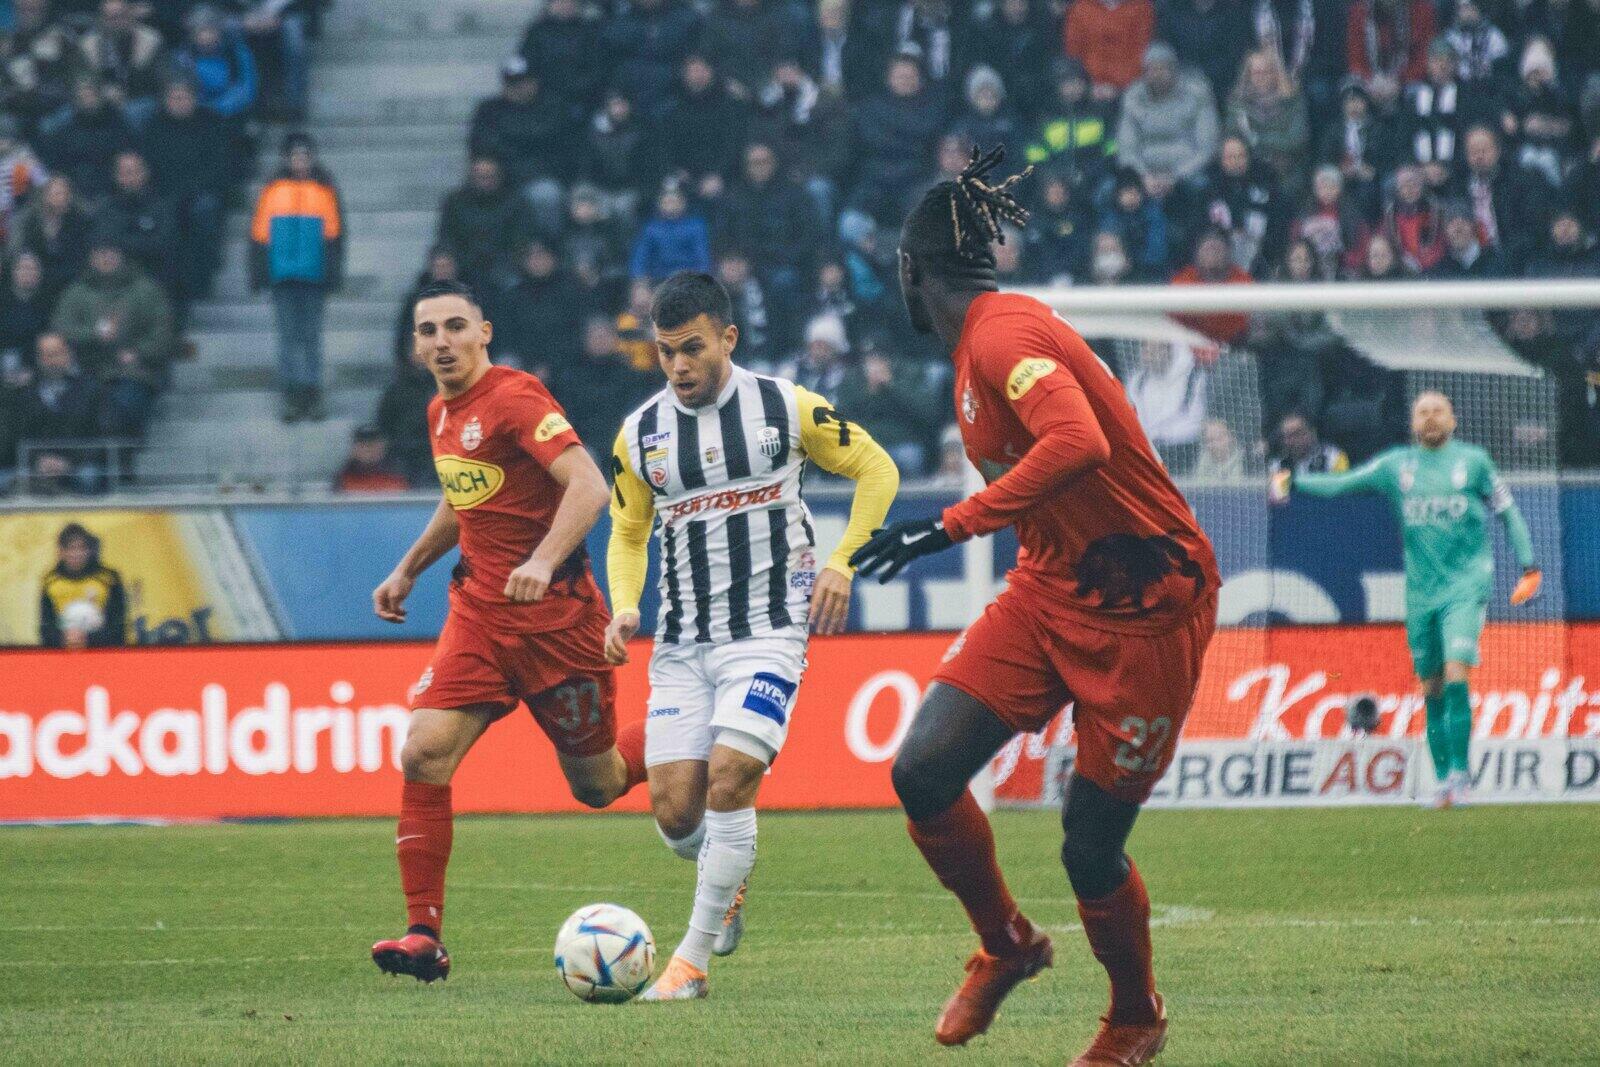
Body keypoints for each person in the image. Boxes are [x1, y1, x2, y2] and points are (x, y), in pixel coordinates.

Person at [851, 147, 1220, 1064]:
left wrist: (952, 523)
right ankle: (1008, 943)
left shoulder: (1002, 337)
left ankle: (1135, 1014)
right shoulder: (980, 346)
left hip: (1147, 606)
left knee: (1088, 847)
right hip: (1052, 587)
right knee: (923, 770)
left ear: (910, 270)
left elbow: (1077, 439)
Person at [604, 271, 898, 1001]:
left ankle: (690, 964)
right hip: (682, 643)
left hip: (770, 630)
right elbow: (629, 530)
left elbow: (877, 468)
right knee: (677, 814)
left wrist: (843, 561)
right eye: (666, 351)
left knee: (732, 778)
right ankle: (725, 875)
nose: (678, 365)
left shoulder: (786, 406)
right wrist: (624, 605)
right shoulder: (640, 434)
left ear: (728, 338)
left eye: (692, 348)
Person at [368, 280, 648, 983]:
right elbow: (464, 497)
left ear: (484, 332)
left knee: (599, 784)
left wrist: (543, 560)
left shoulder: (517, 398)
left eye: (455, 326)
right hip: (480, 619)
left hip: (558, 624)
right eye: (427, 331)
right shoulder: (440, 411)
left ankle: (688, 728)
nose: (442, 342)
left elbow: (589, 485)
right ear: (415, 345)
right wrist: (408, 569)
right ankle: (423, 935)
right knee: (423, 752)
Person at [1271, 393, 1540, 807]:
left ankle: (1461, 776)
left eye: (1438, 411)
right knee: (1431, 686)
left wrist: (1529, 565)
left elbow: (1509, 512)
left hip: (1466, 585)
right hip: (1421, 593)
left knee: (1456, 671)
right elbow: (1342, 483)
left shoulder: (1474, 462)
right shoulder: (1396, 466)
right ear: (1413, 423)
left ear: (1453, 419)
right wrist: (1293, 481)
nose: (1431, 418)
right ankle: (1444, 781)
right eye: (1422, 412)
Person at [249, 131, 343, 422]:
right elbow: (259, 235)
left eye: (305, 156)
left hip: (314, 276)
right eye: (295, 156)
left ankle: (312, 393)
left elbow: (336, 236)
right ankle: (291, 395)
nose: (300, 161)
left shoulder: (325, 189)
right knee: (289, 338)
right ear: (287, 159)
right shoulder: (273, 190)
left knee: (311, 337)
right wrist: (259, 274)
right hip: (283, 277)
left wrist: (333, 274)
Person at [39, 522, 127, 648]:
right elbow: (45, 628)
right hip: (62, 653)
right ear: (61, 552)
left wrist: (88, 638)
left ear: (89, 550)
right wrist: (62, 638)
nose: (77, 554)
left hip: (102, 651)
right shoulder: (50, 581)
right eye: (71, 548)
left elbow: (118, 627)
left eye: (82, 548)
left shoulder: (108, 579)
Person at [335, 425, 408, 493]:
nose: (368, 448)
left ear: (383, 447)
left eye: (373, 444)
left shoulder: (397, 475)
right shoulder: (343, 478)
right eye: (362, 444)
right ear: (354, 449)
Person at [1270, 411, 1348, 475]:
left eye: (1297, 434)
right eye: (1287, 436)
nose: (1292, 441)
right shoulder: (1277, 466)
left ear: (1312, 433)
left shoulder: (1334, 458)